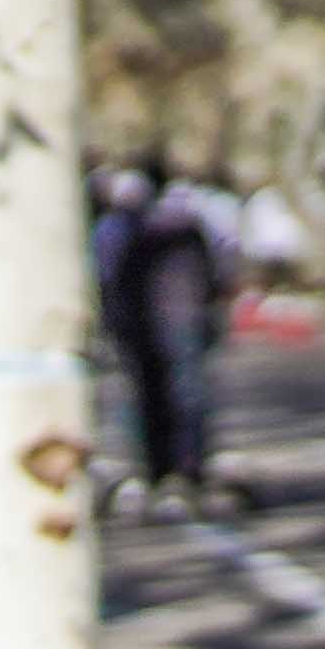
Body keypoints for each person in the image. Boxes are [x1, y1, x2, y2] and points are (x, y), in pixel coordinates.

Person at [92, 163, 227, 508]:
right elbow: (214, 272)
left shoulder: (131, 230)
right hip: (174, 323)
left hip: (165, 325)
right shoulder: (180, 226)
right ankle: (179, 469)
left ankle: (174, 470)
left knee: (168, 397)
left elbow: (110, 278)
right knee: (176, 398)